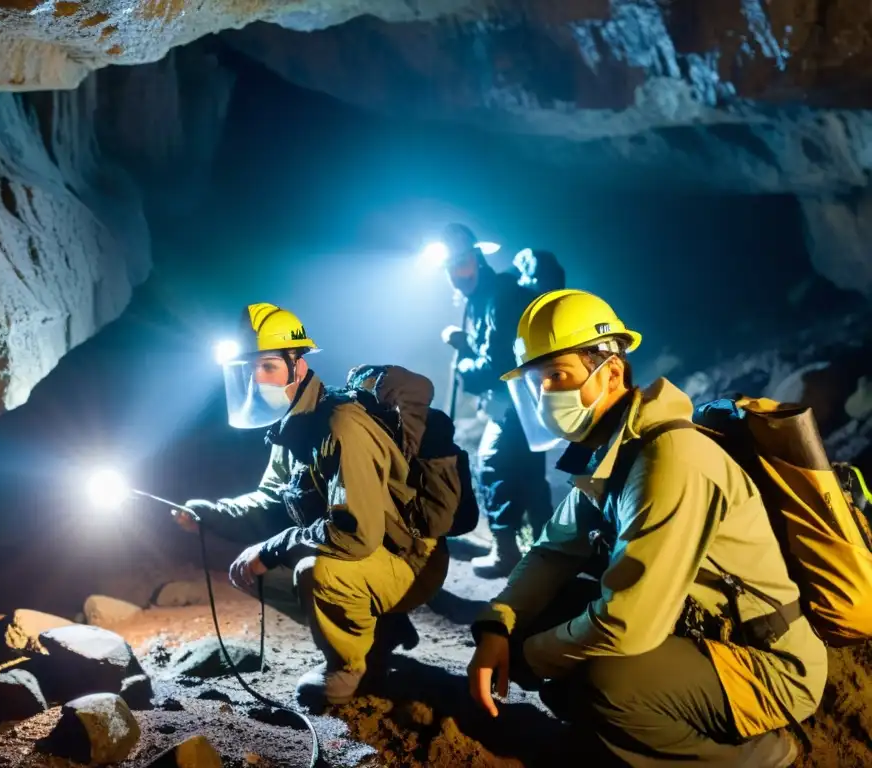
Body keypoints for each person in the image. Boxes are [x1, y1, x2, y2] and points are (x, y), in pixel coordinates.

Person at [466, 289, 827, 767]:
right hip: (694, 634)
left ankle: (765, 755)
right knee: (546, 620)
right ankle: (627, 727)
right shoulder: (614, 450)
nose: (544, 395)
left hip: (767, 663)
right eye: (535, 382)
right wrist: (498, 624)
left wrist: (529, 658)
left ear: (612, 371)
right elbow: (553, 551)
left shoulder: (668, 458)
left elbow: (627, 625)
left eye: (558, 375)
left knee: (612, 687)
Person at [172, 302, 450, 709]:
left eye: (267, 366)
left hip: (411, 559)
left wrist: (271, 549)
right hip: (375, 552)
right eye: (246, 369)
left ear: (297, 365)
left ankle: (349, 667)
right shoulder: (293, 426)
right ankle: (381, 628)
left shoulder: (339, 426)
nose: (256, 378)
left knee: (314, 570)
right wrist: (210, 513)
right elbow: (270, 498)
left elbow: (354, 534)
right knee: (251, 572)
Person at [436, 223, 555, 577]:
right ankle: (549, 553)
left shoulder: (497, 297)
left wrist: (463, 354)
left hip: (515, 400)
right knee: (530, 475)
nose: (458, 275)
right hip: (525, 399)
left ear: (477, 261)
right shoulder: (486, 297)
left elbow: (494, 365)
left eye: (463, 265)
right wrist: (467, 345)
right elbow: (494, 351)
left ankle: (507, 553)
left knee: (493, 466)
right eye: (451, 269)